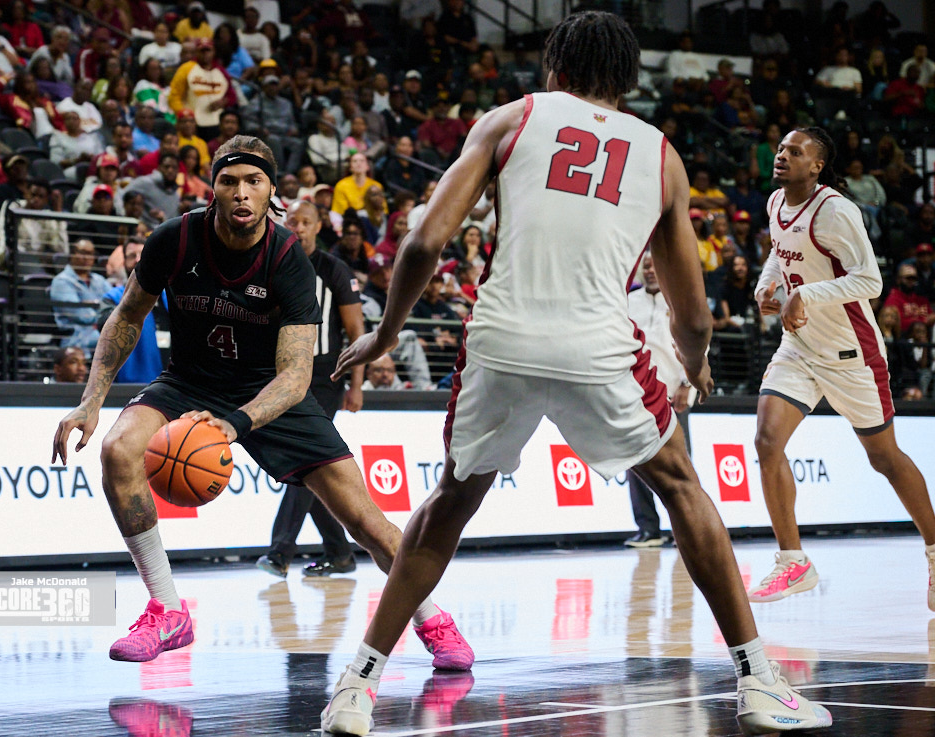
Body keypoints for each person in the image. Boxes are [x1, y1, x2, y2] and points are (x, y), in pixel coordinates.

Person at [322, 12, 831, 736]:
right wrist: (693, 364)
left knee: (448, 505)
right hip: (597, 346)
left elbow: (425, 240)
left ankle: (358, 687)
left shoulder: (510, 119)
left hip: (500, 337)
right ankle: (757, 680)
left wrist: (385, 333)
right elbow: (692, 313)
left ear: (554, 67)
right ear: (626, 80)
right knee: (681, 487)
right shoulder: (661, 156)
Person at [52, 136, 473, 671]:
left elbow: (296, 375)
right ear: (213, 189)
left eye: (254, 182)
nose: (241, 193)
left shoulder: (287, 258)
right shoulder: (175, 239)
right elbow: (127, 315)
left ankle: (433, 620)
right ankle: (167, 609)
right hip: (188, 381)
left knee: (364, 520)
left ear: (272, 191)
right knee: (117, 448)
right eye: (229, 181)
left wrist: (232, 424)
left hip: (269, 390)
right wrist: (90, 401)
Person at [749, 126, 935, 612]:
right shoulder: (775, 202)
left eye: (795, 151)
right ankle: (793, 561)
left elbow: (870, 281)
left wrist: (805, 295)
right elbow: (780, 255)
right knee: (767, 442)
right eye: (781, 149)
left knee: (884, 458)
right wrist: (767, 286)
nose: (782, 155)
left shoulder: (835, 211)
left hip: (851, 355)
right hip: (799, 347)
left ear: (817, 166)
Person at [257, 201, 364, 579]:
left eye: (306, 222)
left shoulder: (333, 268)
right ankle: (340, 552)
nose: (299, 227)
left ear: (319, 227)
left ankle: (279, 552)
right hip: (281, 374)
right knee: (308, 465)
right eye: (293, 221)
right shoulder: (273, 264)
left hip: (324, 377)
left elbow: (356, 331)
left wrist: (356, 384)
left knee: (304, 459)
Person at [623, 253, 693, 548]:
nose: (650, 270)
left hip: (674, 392)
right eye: (646, 266)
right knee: (635, 462)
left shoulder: (678, 299)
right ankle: (649, 530)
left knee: (680, 463)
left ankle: (687, 531)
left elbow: (696, 343)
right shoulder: (628, 301)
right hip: (636, 393)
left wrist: (688, 382)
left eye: (654, 265)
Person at [96, 240, 166, 383]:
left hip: (171, 379)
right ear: (124, 261)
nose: (138, 259)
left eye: (143, 254)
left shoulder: (169, 296)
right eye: (132, 255)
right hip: (132, 383)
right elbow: (105, 327)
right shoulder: (113, 297)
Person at [49, 239, 109, 355]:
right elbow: (82, 316)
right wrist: (104, 310)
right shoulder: (61, 282)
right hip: (77, 340)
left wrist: (93, 305)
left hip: (100, 334)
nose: (87, 258)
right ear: (72, 254)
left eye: (90, 254)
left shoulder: (99, 280)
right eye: (82, 253)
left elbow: (115, 305)